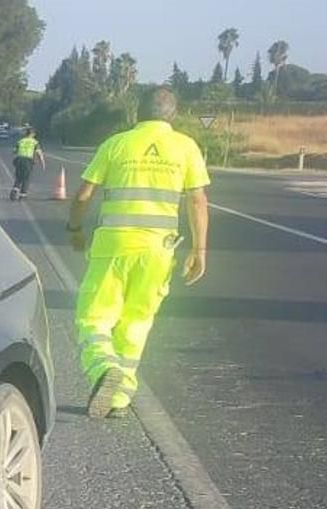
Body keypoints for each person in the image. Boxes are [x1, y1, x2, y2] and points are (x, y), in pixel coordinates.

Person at [66, 88, 210, 418]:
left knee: (94, 317)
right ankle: (118, 400)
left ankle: (102, 367)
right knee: (137, 323)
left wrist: (75, 230)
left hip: (112, 246)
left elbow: (84, 194)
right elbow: (198, 201)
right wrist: (200, 250)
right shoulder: (186, 147)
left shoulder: (117, 143)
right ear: (173, 115)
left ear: (136, 113)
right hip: (159, 251)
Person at [11, 126, 45, 199]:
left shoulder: (20, 141)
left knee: (18, 177)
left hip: (19, 160)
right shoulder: (35, 142)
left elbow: (14, 151)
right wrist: (42, 163)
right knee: (26, 178)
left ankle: (15, 190)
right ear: (32, 134)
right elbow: (39, 153)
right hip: (28, 161)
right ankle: (22, 194)